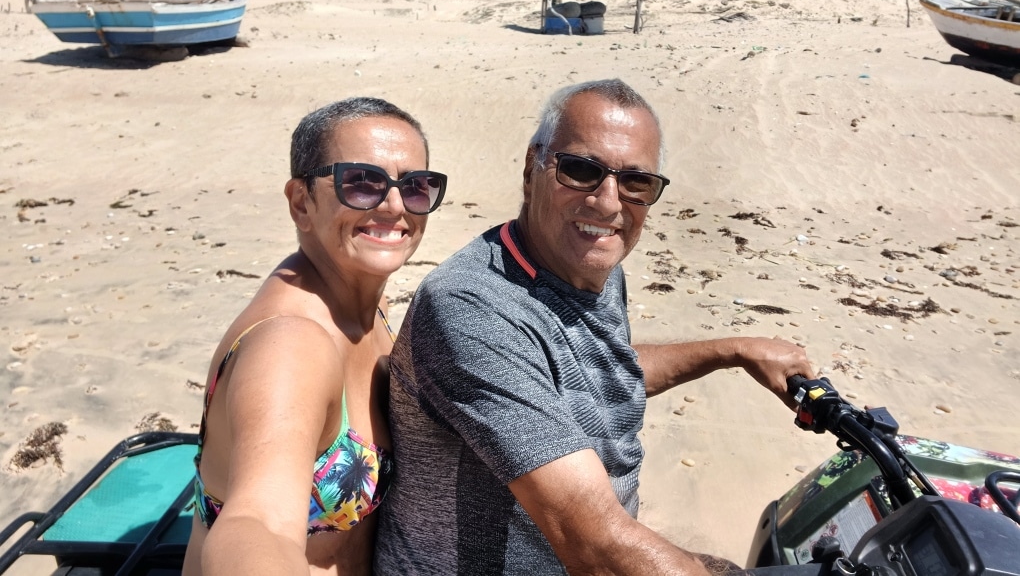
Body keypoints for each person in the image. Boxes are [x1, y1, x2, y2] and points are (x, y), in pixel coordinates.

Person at [374, 79, 813, 576]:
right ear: (531, 170)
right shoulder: (470, 307)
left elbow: (589, 371)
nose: (607, 203)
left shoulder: (588, 266)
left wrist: (733, 351)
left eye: (636, 183)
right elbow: (596, 548)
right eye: (581, 170)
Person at [183, 97, 448, 576]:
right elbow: (258, 523)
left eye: (415, 187)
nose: (394, 206)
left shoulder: (369, 308)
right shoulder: (291, 346)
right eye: (362, 182)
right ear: (301, 202)